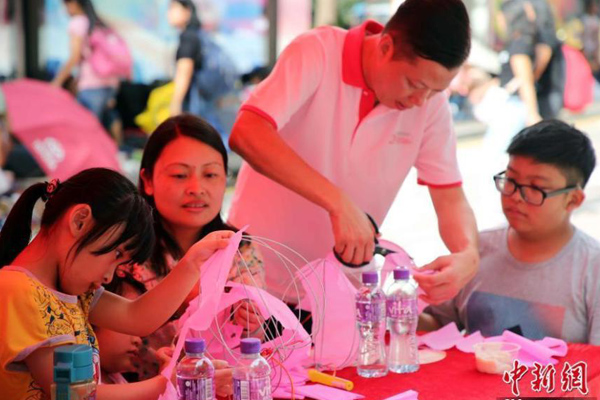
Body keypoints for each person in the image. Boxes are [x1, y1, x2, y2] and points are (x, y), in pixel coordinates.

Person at [228, 0, 479, 304]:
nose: (420, 101)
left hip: (339, 294)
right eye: (414, 84)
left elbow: (450, 196)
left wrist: (468, 254)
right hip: (252, 279)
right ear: (386, 46)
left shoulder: (430, 106)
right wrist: (338, 203)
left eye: (435, 91)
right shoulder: (319, 51)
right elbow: (247, 132)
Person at [0, 168, 234, 399]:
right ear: (79, 221)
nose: (109, 277)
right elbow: (74, 394)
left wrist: (192, 263)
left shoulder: (70, 292)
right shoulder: (18, 291)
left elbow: (138, 317)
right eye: (116, 254)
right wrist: (168, 383)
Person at [420, 120, 600, 345]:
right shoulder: (475, 250)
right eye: (511, 180)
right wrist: (400, 307)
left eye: (535, 188)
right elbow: (439, 325)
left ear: (573, 199)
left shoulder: (592, 268)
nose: (515, 196)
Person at [124, 114, 265, 380]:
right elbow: (113, 342)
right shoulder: (124, 254)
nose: (196, 188)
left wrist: (252, 323)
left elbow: (254, 344)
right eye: (180, 175)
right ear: (148, 180)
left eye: (210, 174)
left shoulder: (240, 249)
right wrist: (179, 303)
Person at [51, 0, 121, 139]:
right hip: (111, 82)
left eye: (65, 5)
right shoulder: (98, 22)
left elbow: (75, 57)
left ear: (74, 3)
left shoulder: (78, 23)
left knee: (88, 129)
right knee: (109, 117)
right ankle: (118, 149)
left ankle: (98, 153)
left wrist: (57, 81)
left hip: (91, 84)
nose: (65, 9)